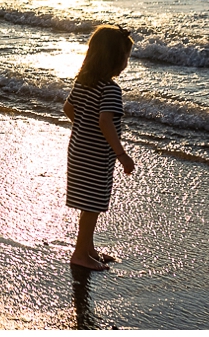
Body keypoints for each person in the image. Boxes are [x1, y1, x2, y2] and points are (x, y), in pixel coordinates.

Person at [62, 24, 136, 270]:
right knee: (93, 206)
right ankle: (80, 255)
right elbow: (106, 121)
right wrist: (122, 154)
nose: (126, 62)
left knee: (88, 204)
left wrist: (83, 127)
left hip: (78, 150)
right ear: (116, 60)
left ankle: (87, 249)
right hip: (97, 156)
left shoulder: (83, 82)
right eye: (126, 57)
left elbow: (68, 109)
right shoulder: (111, 90)